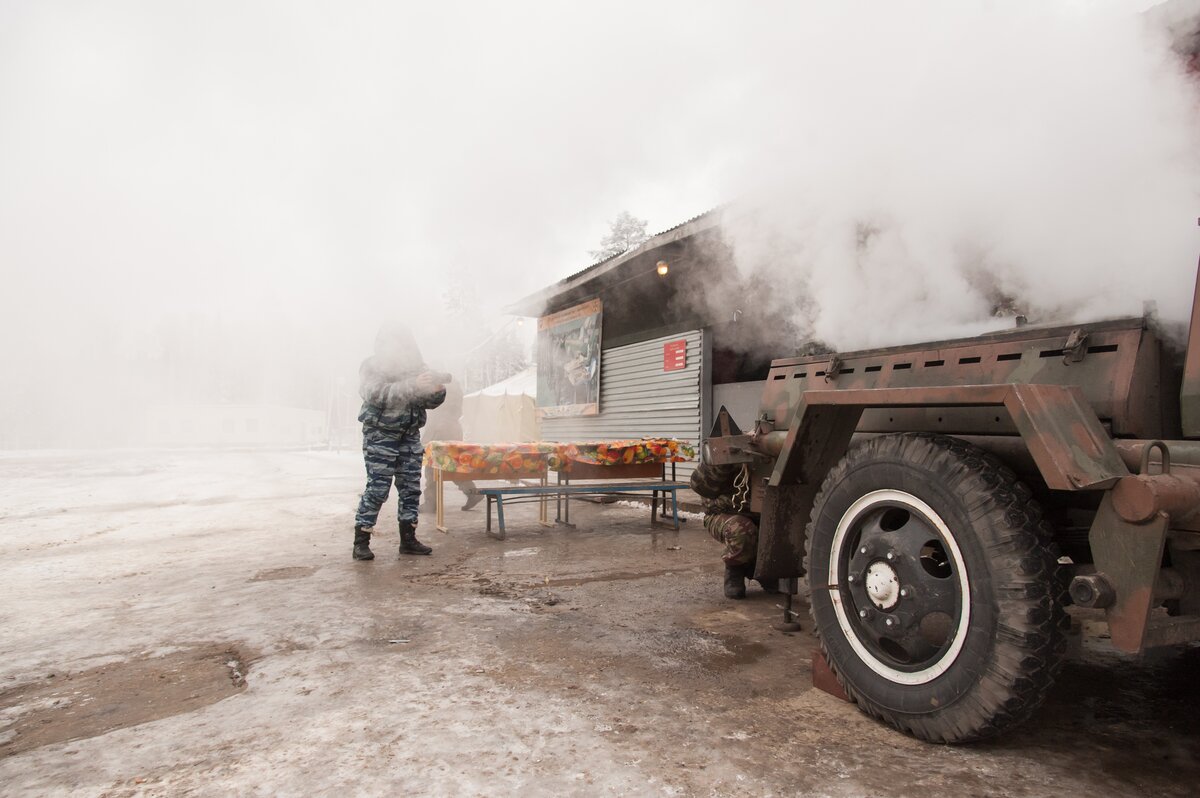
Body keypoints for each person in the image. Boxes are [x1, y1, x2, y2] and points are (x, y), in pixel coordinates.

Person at [352, 324, 446, 561]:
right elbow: (377, 394)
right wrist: (413, 385)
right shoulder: (372, 366)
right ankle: (361, 541)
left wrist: (436, 390)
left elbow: (431, 402)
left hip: (410, 434)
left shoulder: (416, 368)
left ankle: (408, 539)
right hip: (380, 435)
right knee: (377, 488)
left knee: (410, 488)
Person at [689, 460, 779, 599]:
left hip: (764, 514)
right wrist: (724, 461)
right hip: (725, 513)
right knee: (741, 529)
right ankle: (735, 569)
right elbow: (698, 485)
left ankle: (761, 568)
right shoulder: (728, 450)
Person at [419, 380, 482, 513]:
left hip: (439, 429)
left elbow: (431, 406)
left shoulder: (437, 385)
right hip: (453, 427)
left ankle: (431, 503)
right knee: (453, 464)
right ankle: (472, 492)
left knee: (432, 466)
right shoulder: (455, 386)